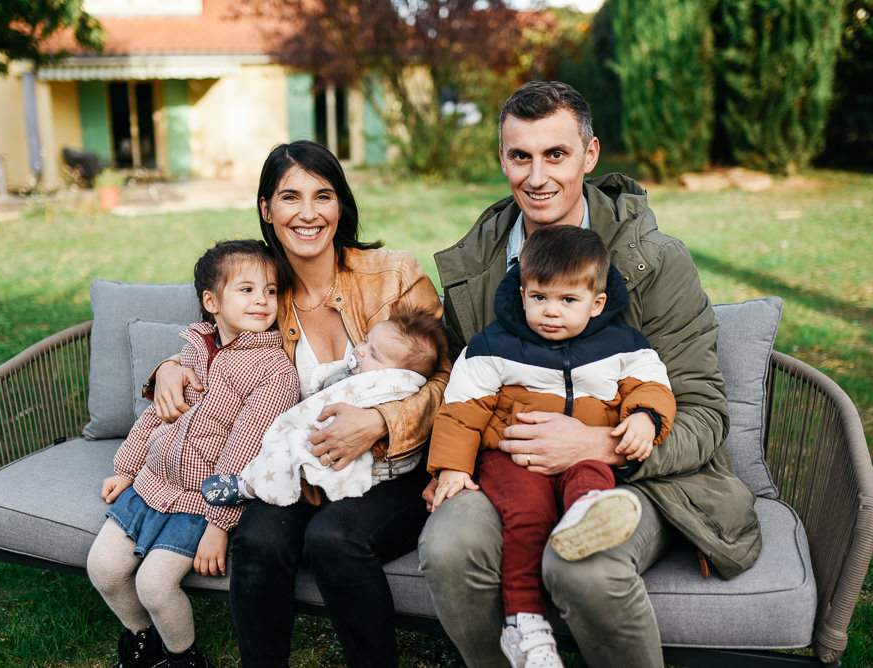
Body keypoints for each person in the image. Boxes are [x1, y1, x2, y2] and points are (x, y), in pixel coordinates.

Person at [419, 80, 761, 668]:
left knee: (581, 562)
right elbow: (462, 386)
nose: (537, 176)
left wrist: (601, 442)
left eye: (556, 154)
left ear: (590, 155)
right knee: (449, 545)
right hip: (513, 468)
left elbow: (704, 410)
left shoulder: (656, 261)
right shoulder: (475, 263)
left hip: (639, 479)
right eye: (519, 156)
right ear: (502, 159)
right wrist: (447, 463)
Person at [149, 140, 449, 668]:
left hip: (392, 466)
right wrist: (167, 369)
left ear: (341, 205)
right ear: (267, 209)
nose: (308, 213)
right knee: (260, 541)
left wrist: (378, 421)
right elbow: (209, 337)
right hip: (297, 466)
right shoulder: (261, 290)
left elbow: (447, 379)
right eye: (290, 197)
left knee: (333, 539)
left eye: (323, 195)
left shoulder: (395, 274)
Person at [428, 225, 676, 667]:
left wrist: (645, 417)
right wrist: (452, 468)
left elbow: (652, 384)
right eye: (539, 298)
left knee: (594, 476)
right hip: (513, 457)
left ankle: (585, 518)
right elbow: (460, 408)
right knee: (529, 514)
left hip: (582, 455)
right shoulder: (493, 345)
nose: (551, 312)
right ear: (522, 294)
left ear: (596, 303)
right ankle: (524, 625)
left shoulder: (620, 345)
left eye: (568, 300)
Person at [86, 239, 300, 668]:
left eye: (271, 291)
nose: (262, 300)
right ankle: (142, 643)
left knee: (155, 586)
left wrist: (220, 525)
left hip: (199, 506)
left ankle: (184, 659)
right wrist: (128, 468)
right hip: (152, 483)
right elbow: (158, 415)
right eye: (246, 289)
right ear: (211, 300)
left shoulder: (273, 370)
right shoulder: (193, 350)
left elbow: (244, 452)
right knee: (104, 568)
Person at [203, 305, 447, 506]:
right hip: (329, 444)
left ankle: (250, 487)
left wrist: (379, 421)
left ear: (398, 374)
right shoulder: (357, 372)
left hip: (368, 463)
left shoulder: (391, 387)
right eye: (365, 341)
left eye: (374, 354)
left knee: (294, 446)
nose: (360, 351)